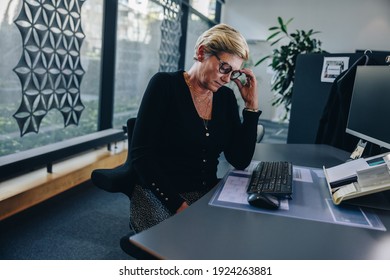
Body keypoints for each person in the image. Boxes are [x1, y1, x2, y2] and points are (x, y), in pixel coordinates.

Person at [129, 23, 261, 233]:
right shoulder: (164, 85)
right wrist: (178, 205)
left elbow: (239, 159)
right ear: (201, 53)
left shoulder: (225, 98)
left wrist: (251, 108)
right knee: (189, 244)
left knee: (239, 234)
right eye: (224, 68)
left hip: (205, 192)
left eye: (234, 73)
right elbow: (141, 156)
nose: (227, 79)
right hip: (161, 194)